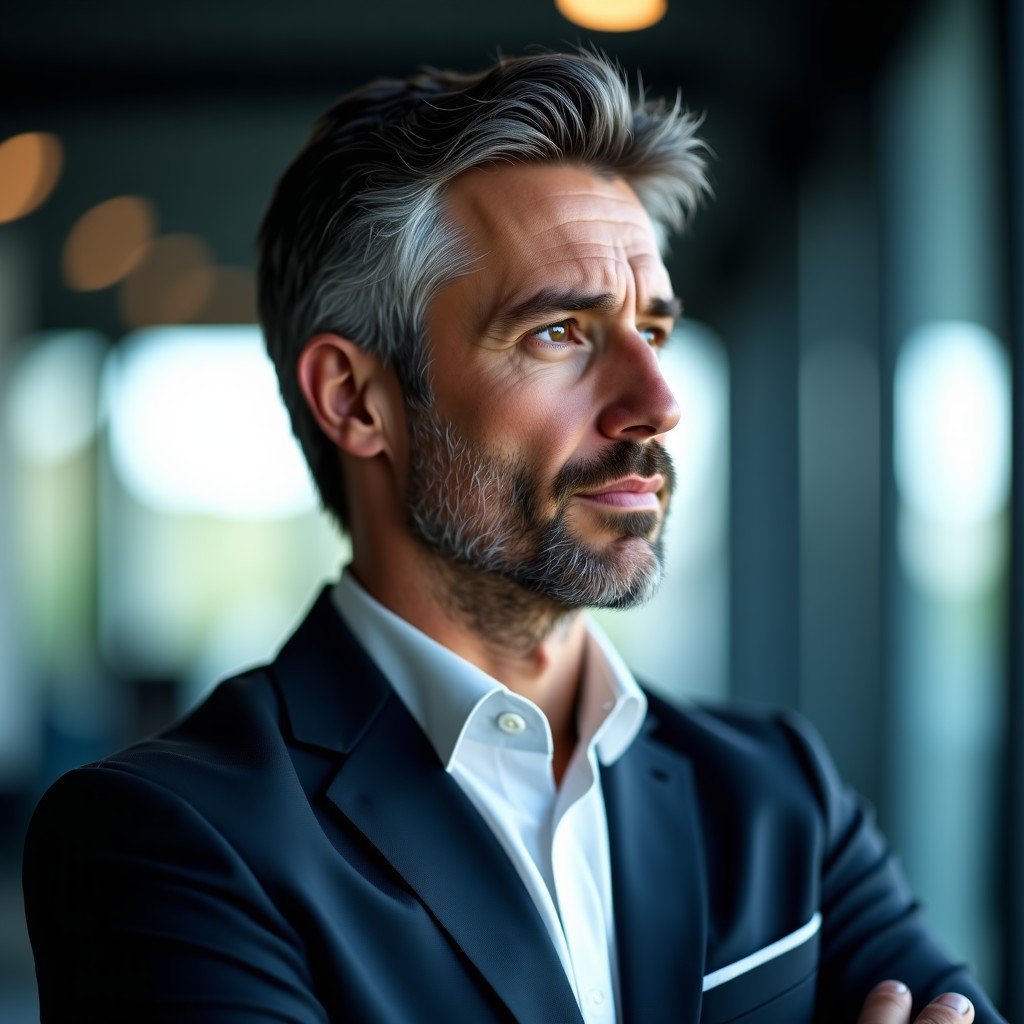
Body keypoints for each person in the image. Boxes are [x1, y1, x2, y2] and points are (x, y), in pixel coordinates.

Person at [23, 50, 1006, 1024]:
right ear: (357, 400)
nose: (657, 402)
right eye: (559, 333)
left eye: (653, 332)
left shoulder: (779, 789)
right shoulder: (167, 838)